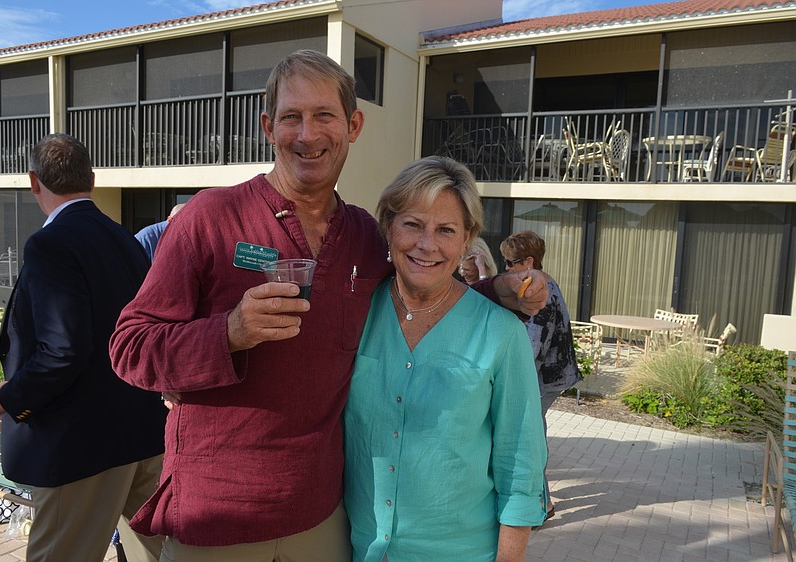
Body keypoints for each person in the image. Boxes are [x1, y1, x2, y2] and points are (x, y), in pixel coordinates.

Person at [109, 49, 547, 560]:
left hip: (321, 516)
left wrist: (493, 292)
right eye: (291, 116)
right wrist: (228, 332)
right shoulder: (209, 218)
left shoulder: (362, 235)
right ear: (268, 126)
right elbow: (130, 347)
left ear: (353, 125)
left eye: (324, 116)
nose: (307, 134)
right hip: (218, 510)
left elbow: (424, 291)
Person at [343, 156, 546, 562]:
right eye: (413, 224)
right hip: (361, 549)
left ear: (467, 238)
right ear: (388, 226)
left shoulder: (501, 333)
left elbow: (519, 467)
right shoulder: (354, 315)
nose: (427, 244)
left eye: (446, 230)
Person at [0, 133, 167, 562]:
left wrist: (10, 396)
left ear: (34, 183)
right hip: (140, 430)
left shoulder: (50, 244)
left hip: (81, 445)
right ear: (93, 179)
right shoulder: (125, 239)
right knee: (159, 554)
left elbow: (62, 350)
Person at [500, 229, 582, 524]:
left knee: (530, 439)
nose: (506, 268)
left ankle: (540, 504)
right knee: (534, 436)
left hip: (543, 378)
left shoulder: (536, 290)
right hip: (553, 375)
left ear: (529, 260)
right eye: (505, 261)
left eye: (512, 262)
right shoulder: (547, 282)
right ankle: (543, 502)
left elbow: (531, 346)